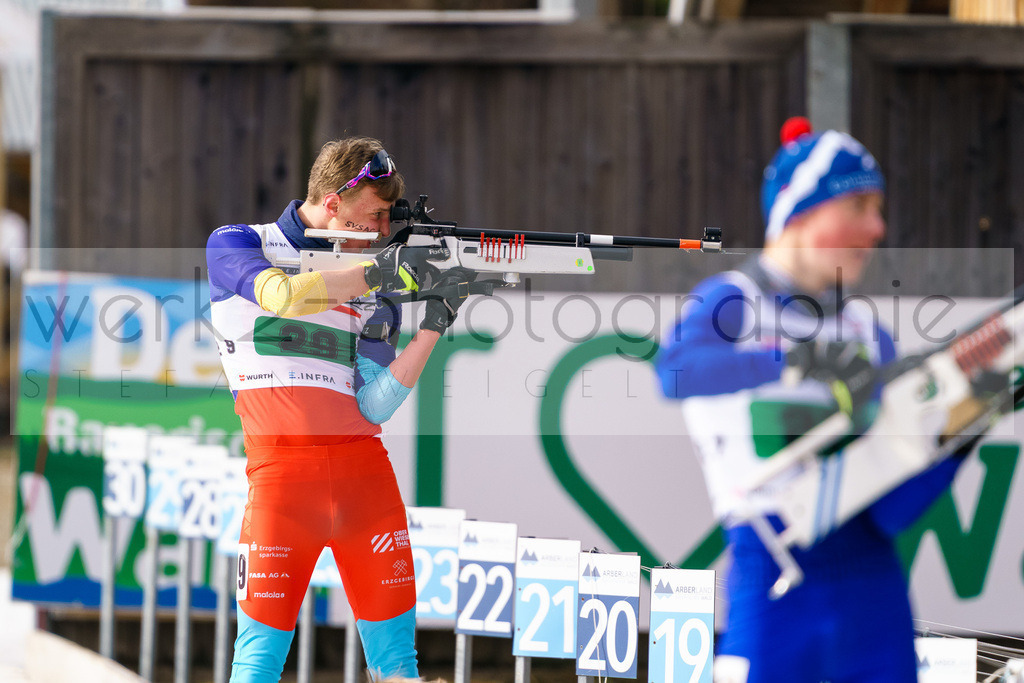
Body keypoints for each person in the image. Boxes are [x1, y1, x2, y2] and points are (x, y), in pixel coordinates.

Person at [656, 118, 967, 683]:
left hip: (873, 584)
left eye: (878, 209)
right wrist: (794, 359)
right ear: (800, 214)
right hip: (776, 574)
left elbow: (894, 509)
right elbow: (675, 371)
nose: (877, 228)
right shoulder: (735, 300)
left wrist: (964, 427)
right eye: (858, 207)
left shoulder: (866, 330)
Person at [207, 136, 470, 682]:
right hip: (281, 485)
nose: (379, 231)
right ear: (332, 203)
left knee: (399, 668)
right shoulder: (236, 241)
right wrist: (382, 272)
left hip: (365, 481)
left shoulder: (376, 279)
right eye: (371, 216)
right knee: (256, 666)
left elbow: (373, 405)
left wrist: (435, 323)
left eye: (384, 220)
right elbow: (282, 295)